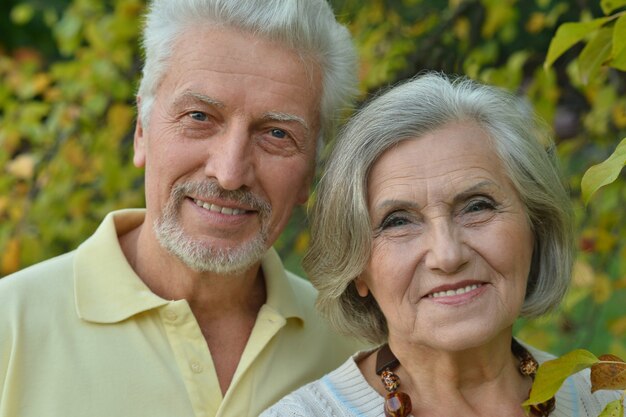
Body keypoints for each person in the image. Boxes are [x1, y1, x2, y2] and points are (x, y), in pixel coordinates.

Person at [0, 1, 367, 416]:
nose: (229, 173)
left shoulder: (356, 356)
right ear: (142, 129)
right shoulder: (9, 329)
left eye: (277, 133)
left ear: (309, 172)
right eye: (199, 116)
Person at [261, 73, 624, 417]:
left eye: (477, 206)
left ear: (536, 227)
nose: (447, 256)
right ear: (356, 267)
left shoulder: (608, 401)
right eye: (398, 221)